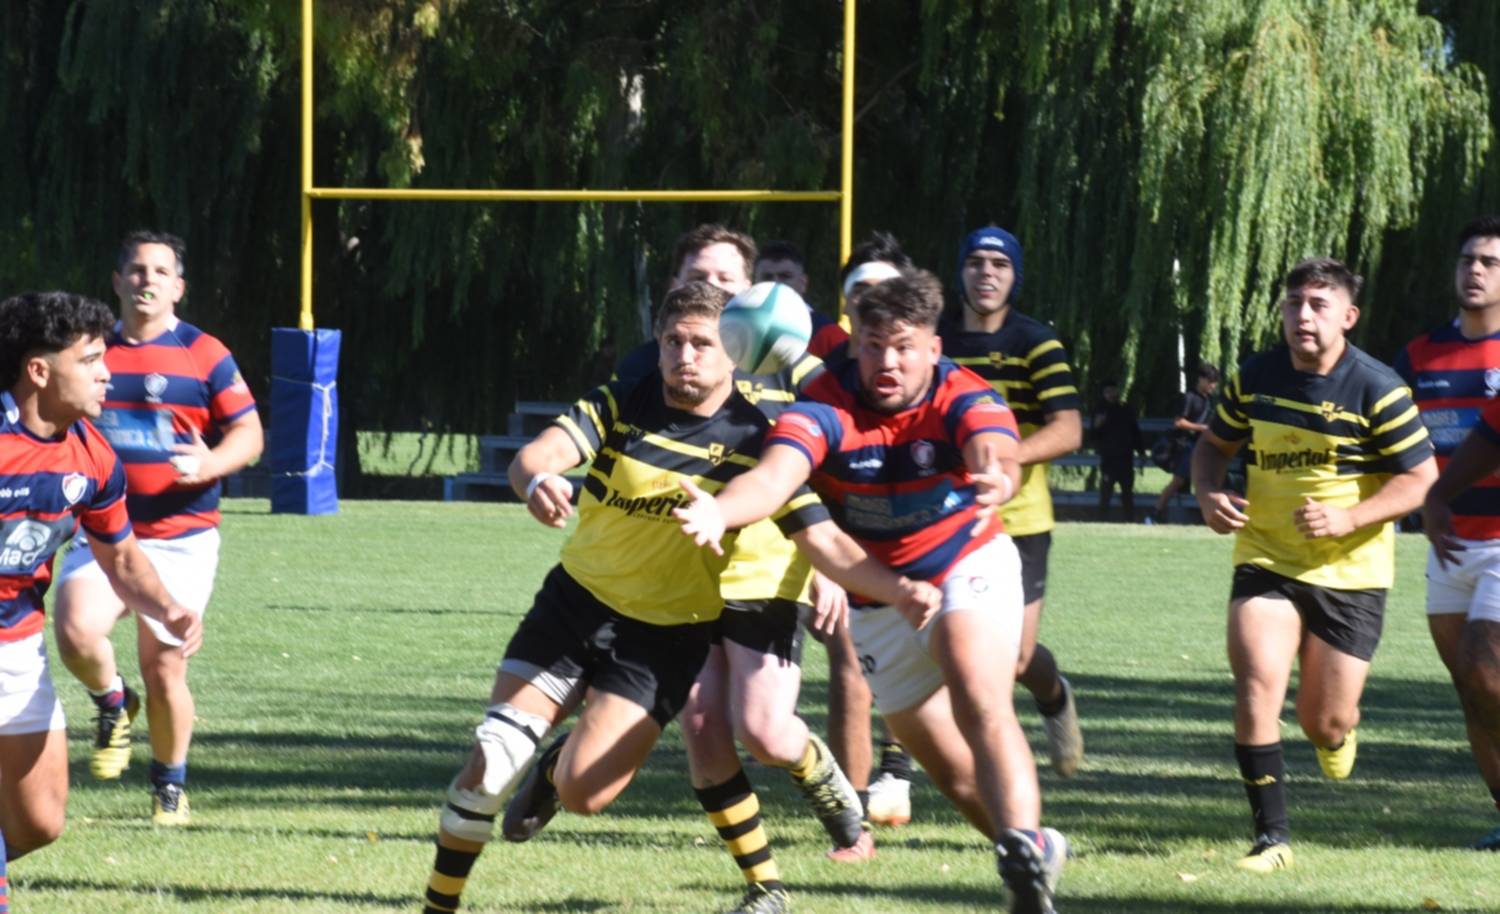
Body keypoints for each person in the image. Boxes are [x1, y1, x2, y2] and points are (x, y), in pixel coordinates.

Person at [422, 282, 937, 914]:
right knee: (493, 761)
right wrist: (537, 481)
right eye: (672, 341)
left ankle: (557, 772)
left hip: (664, 638)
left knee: (584, 794)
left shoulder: (758, 442)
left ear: (735, 353)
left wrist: (897, 588)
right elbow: (538, 455)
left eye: (701, 344)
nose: (684, 357)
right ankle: (438, 907)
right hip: (574, 606)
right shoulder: (622, 400)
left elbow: (825, 540)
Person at [675, 269, 1069, 914]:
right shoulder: (825, 405)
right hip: (876, 601)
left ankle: (1027, 840)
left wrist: (998, 477)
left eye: (904, 347)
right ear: (855, 344)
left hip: (965, 562)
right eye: (874, 346)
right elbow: (773, 479)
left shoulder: (963, 393)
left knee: (977, 687)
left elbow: (995, 447)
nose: (888, 363)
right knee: (954, 776)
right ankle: (1027, 866)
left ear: (934, 349)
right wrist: (720, 510)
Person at [621, 227, 872, 866]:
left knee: (763, 731)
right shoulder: (657, 362)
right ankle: (760, 875)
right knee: (701, 722)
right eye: (697, 277)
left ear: (750, 286)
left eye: (726, 279)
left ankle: (840, 804)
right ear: (676, 287)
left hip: (768, 562)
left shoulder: (795, 360)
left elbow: (837, 460)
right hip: (684, 565)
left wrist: (828, 566)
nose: (712, 288)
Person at [1193, 257, 1436, 873]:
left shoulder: (1379, 388)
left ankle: (1337, 732)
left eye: (1318, 305)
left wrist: (1349, 518)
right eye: (1294, 303)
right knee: (1256, 687)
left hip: (1351, 573)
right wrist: (1208, 492)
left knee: (1321, 721)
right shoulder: (1255, 378)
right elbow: (1213, 445)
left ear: (1348, 317)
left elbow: (1421, 479)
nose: (1303, 315)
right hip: (1267, 557)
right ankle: (1271, 840)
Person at [51, 231, 262, 825]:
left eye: (160, 272)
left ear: (178, 288)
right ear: (117, 282)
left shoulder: (205, 353)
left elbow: (249, 434)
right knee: (75, 630)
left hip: (181, 538)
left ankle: (169, 785)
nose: (147, 280)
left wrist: (211, 463)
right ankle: (114, 702)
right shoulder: (87, 352)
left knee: (165, 666)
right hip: (106, 532)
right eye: (137, 270)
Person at [0, 291, 202, 905]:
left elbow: (121, 558)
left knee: (38, 822)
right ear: (39, 371)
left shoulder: (91, 455)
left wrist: (166, 608)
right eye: (89, 360)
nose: (106, 372)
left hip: (18, 648)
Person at [941, 225, 1084, 779]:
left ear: (1015, 276)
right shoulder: (936, 339)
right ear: (961, 270)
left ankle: (1054, 696)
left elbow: (1068, 428)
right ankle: (907, 768)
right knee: (935, 640)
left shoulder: (1036, 343)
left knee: (1018, 658)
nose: (986, 273)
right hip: (943, 513)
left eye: (999, 265)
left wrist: (1009, 459)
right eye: (976, 262)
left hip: (1020, 518)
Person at [1396, 215, 1500, 850]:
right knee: (1472, 691)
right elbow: (1389, 441)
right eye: (1467, 260)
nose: (1475, 270)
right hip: (1448, 543)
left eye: (1490, 262)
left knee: (1486, 673)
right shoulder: (1418, 356)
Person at [753, 240, 847, 360]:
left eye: (785, 276)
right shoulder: (740, 329)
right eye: (767, 277)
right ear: (754, 283)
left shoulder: (827, 334)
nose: (776, 283)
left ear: (803, 283)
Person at [1149, 362, 1219, 524]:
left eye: (1215, 382)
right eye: (1210, 381)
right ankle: (1155, 513)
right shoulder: (1189, 397)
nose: (1213, 386)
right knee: (1178, 482)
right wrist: (1202, 428)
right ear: (1201, 379)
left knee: (1200, 479)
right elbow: (1179, 422)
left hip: (1198, 446)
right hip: (1186, 446)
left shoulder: (1208, 400)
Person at [1093, 381, 1145, 522]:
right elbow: (1094, 433)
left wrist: (1141, 451)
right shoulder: (1100, 409)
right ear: (1103, 394)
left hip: (1125, 457)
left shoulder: (1125, 409)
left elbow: (1135, 432)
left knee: (1127, 492)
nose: (1110, 394)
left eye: (1113, 391)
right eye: (1107, 392)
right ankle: (1102, 520)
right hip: (1108, 458)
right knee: (1106, 491)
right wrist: (1098, 424)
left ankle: (1129, 520)